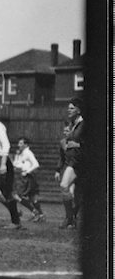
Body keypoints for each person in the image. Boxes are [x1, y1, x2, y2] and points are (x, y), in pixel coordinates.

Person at [57, 98, 83, 229]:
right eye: (68, 108)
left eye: (72, 108)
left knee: (67, 187)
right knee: (67, 189)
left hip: (80, 162)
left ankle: (70, 218)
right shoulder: (73, 124)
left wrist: (78, 144)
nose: (69, 110)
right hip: (73, 162)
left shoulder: (84, 124)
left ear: (79, 110)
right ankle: (70, 218)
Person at [12, 137, 45, 222]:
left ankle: (35, 212)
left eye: (21, 143)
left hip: (27, 177)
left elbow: (36, 164)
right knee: (32, 198)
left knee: (17, 195)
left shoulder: (28, 153)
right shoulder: (21, 153)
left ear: (26, 145)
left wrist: (27, 172)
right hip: (23, 176)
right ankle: (40, 215)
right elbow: (16, 164)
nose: (18, 145)